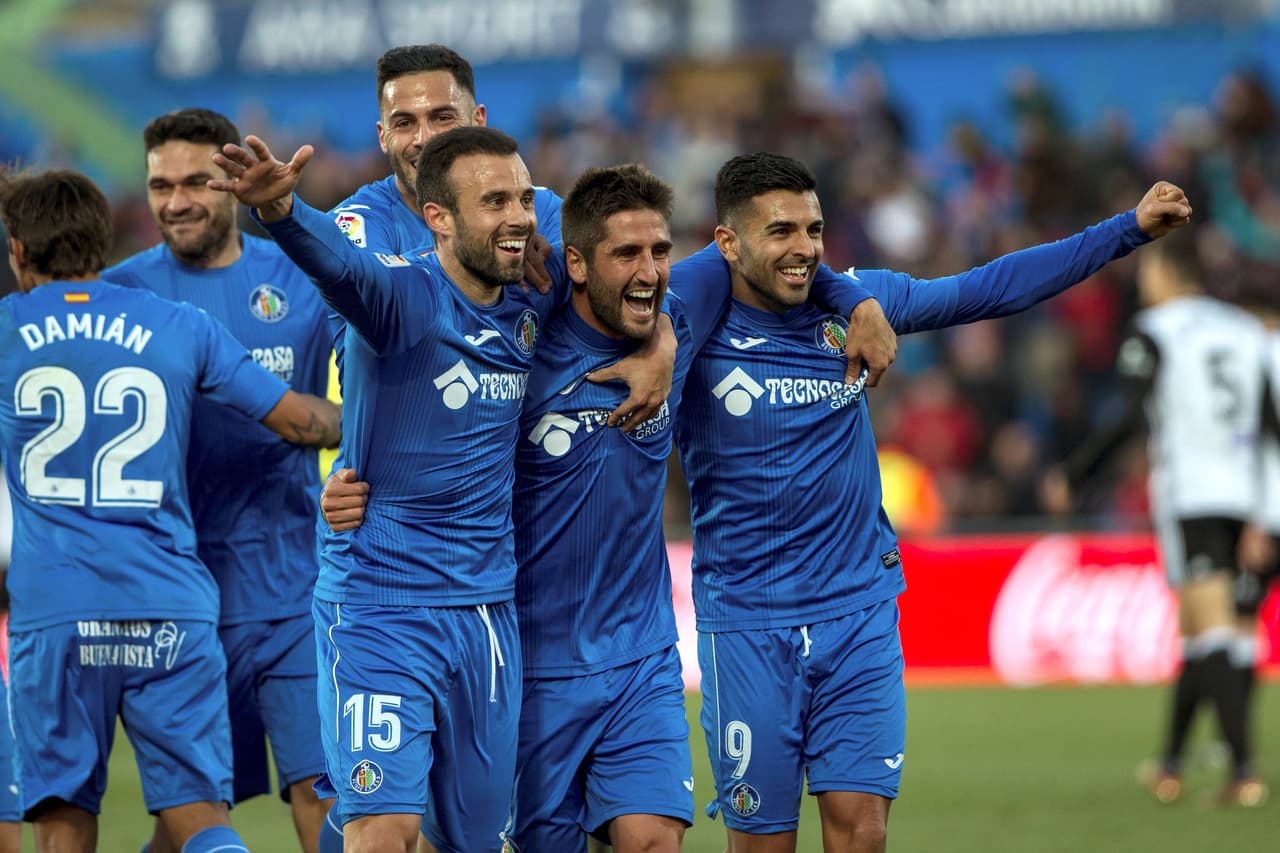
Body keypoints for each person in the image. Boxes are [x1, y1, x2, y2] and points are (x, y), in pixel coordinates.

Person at [319, 161, 884, 851]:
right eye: (627, 254)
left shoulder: (679, 316)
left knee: (653, 838)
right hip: (531, 663)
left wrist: (853, 300)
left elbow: (770, 247)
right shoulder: (518, 343)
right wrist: (358, 484)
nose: (649, 270)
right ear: (578, 265)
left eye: (659, 251)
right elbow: (431, 427)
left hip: (642, 656)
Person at [676, 154, 1189, 853]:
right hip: (746, 621)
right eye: (780, 231)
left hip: (858, 608)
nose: (804, 248)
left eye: (814, 229)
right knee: (764, 844)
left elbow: (993, 287)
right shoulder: (691, 328)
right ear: (728, 243)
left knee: (863, 834)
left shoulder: (858, 300)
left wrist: (1126, 229)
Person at [0, 169, 340, 852]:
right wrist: (391, 418)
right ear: (105, 241)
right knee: (200, 818)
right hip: (170, 606)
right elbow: (299, 421)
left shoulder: (7, 329)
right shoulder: (180, 324)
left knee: (63, 822)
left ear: (17, 250)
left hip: (56, 610)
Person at [98, 108, 338, 853]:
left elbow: (375, 375)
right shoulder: (118, 295)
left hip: (295, 592)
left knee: (325, 795)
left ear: (233, 180)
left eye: (196, 182)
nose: (175, 202)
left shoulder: (300, 277)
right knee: (190, 822)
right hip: (180, 600)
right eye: (160, 186)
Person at [1042, 227, 1268, 807]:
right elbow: (1271, 423)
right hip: (1251, 494)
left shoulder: (1156, 330)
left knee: (1213, 629)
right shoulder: (1247, 330)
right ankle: (1170, 765)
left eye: (1147, 270)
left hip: (1194, 493)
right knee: (1203, 632)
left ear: (1164, 272)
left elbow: (1127, 415)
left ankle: (1243, 772)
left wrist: (1077, 474)